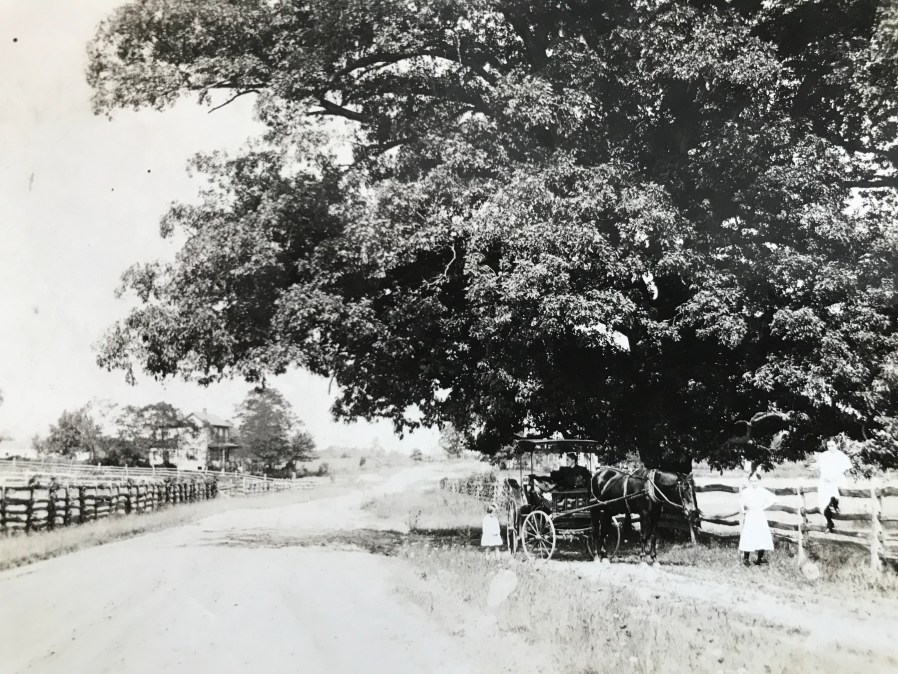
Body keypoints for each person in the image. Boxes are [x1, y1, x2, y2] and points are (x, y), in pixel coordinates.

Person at [815, 438, 852, 533]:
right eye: (828, 446)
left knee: (833, 495)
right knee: (823, 503)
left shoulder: (841, 455)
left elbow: (846, 467)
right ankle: (829, 522)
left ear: (837, 445)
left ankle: (835, 504)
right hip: (825, 480)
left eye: (832, 445)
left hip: (837, 480)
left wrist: (836, 476)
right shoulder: (823, 455)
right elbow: (820, 467)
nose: (830, 448)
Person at [739, 473, 776, 566]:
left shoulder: (762, 491)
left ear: (758, 481)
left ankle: (760, 559)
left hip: (759, 515)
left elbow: (773, 499)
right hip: (750, 515)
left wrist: (764, 507)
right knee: (748, 535)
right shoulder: (746, 491)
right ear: (749, 481)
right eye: (751, 481)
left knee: (761, 535)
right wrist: (743, 510)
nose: (753, 483)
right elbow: (741, 502)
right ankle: (746, 559)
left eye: (755, 481)